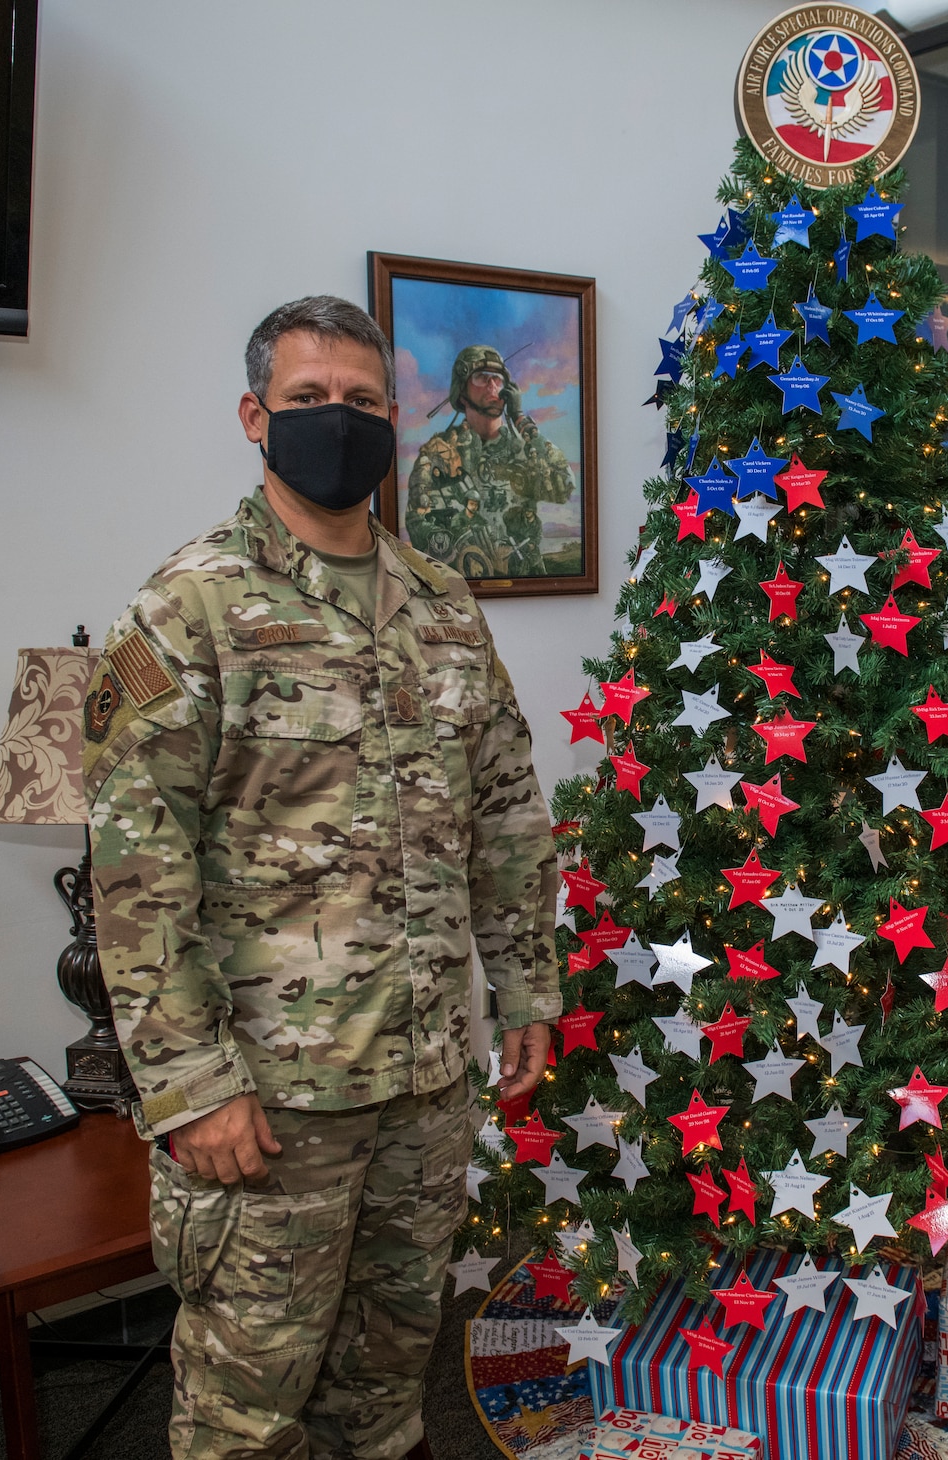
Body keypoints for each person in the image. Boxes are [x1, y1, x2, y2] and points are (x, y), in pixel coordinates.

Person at [83, 296, 559, 1460]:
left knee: (388, 1379)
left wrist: (529, 990)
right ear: (255, 417)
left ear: (393, 421)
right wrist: (190, 1085)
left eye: (360, 402)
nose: (335, 421)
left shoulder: (445, 605)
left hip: (425, 1072)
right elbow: (137, 868)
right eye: (307, 400)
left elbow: (502, 812)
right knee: (248, 1403)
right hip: (271, 1097)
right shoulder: (186, 604)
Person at [404, 344, 575, 580]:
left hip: (527, 588)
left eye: (498, 379)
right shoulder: (439, 453)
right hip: (461, 592)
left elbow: (564, 486)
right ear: (461, 391)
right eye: (481, 378)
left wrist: (520, 420)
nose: (493, 386)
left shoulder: (524, 449)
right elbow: (417, 520)